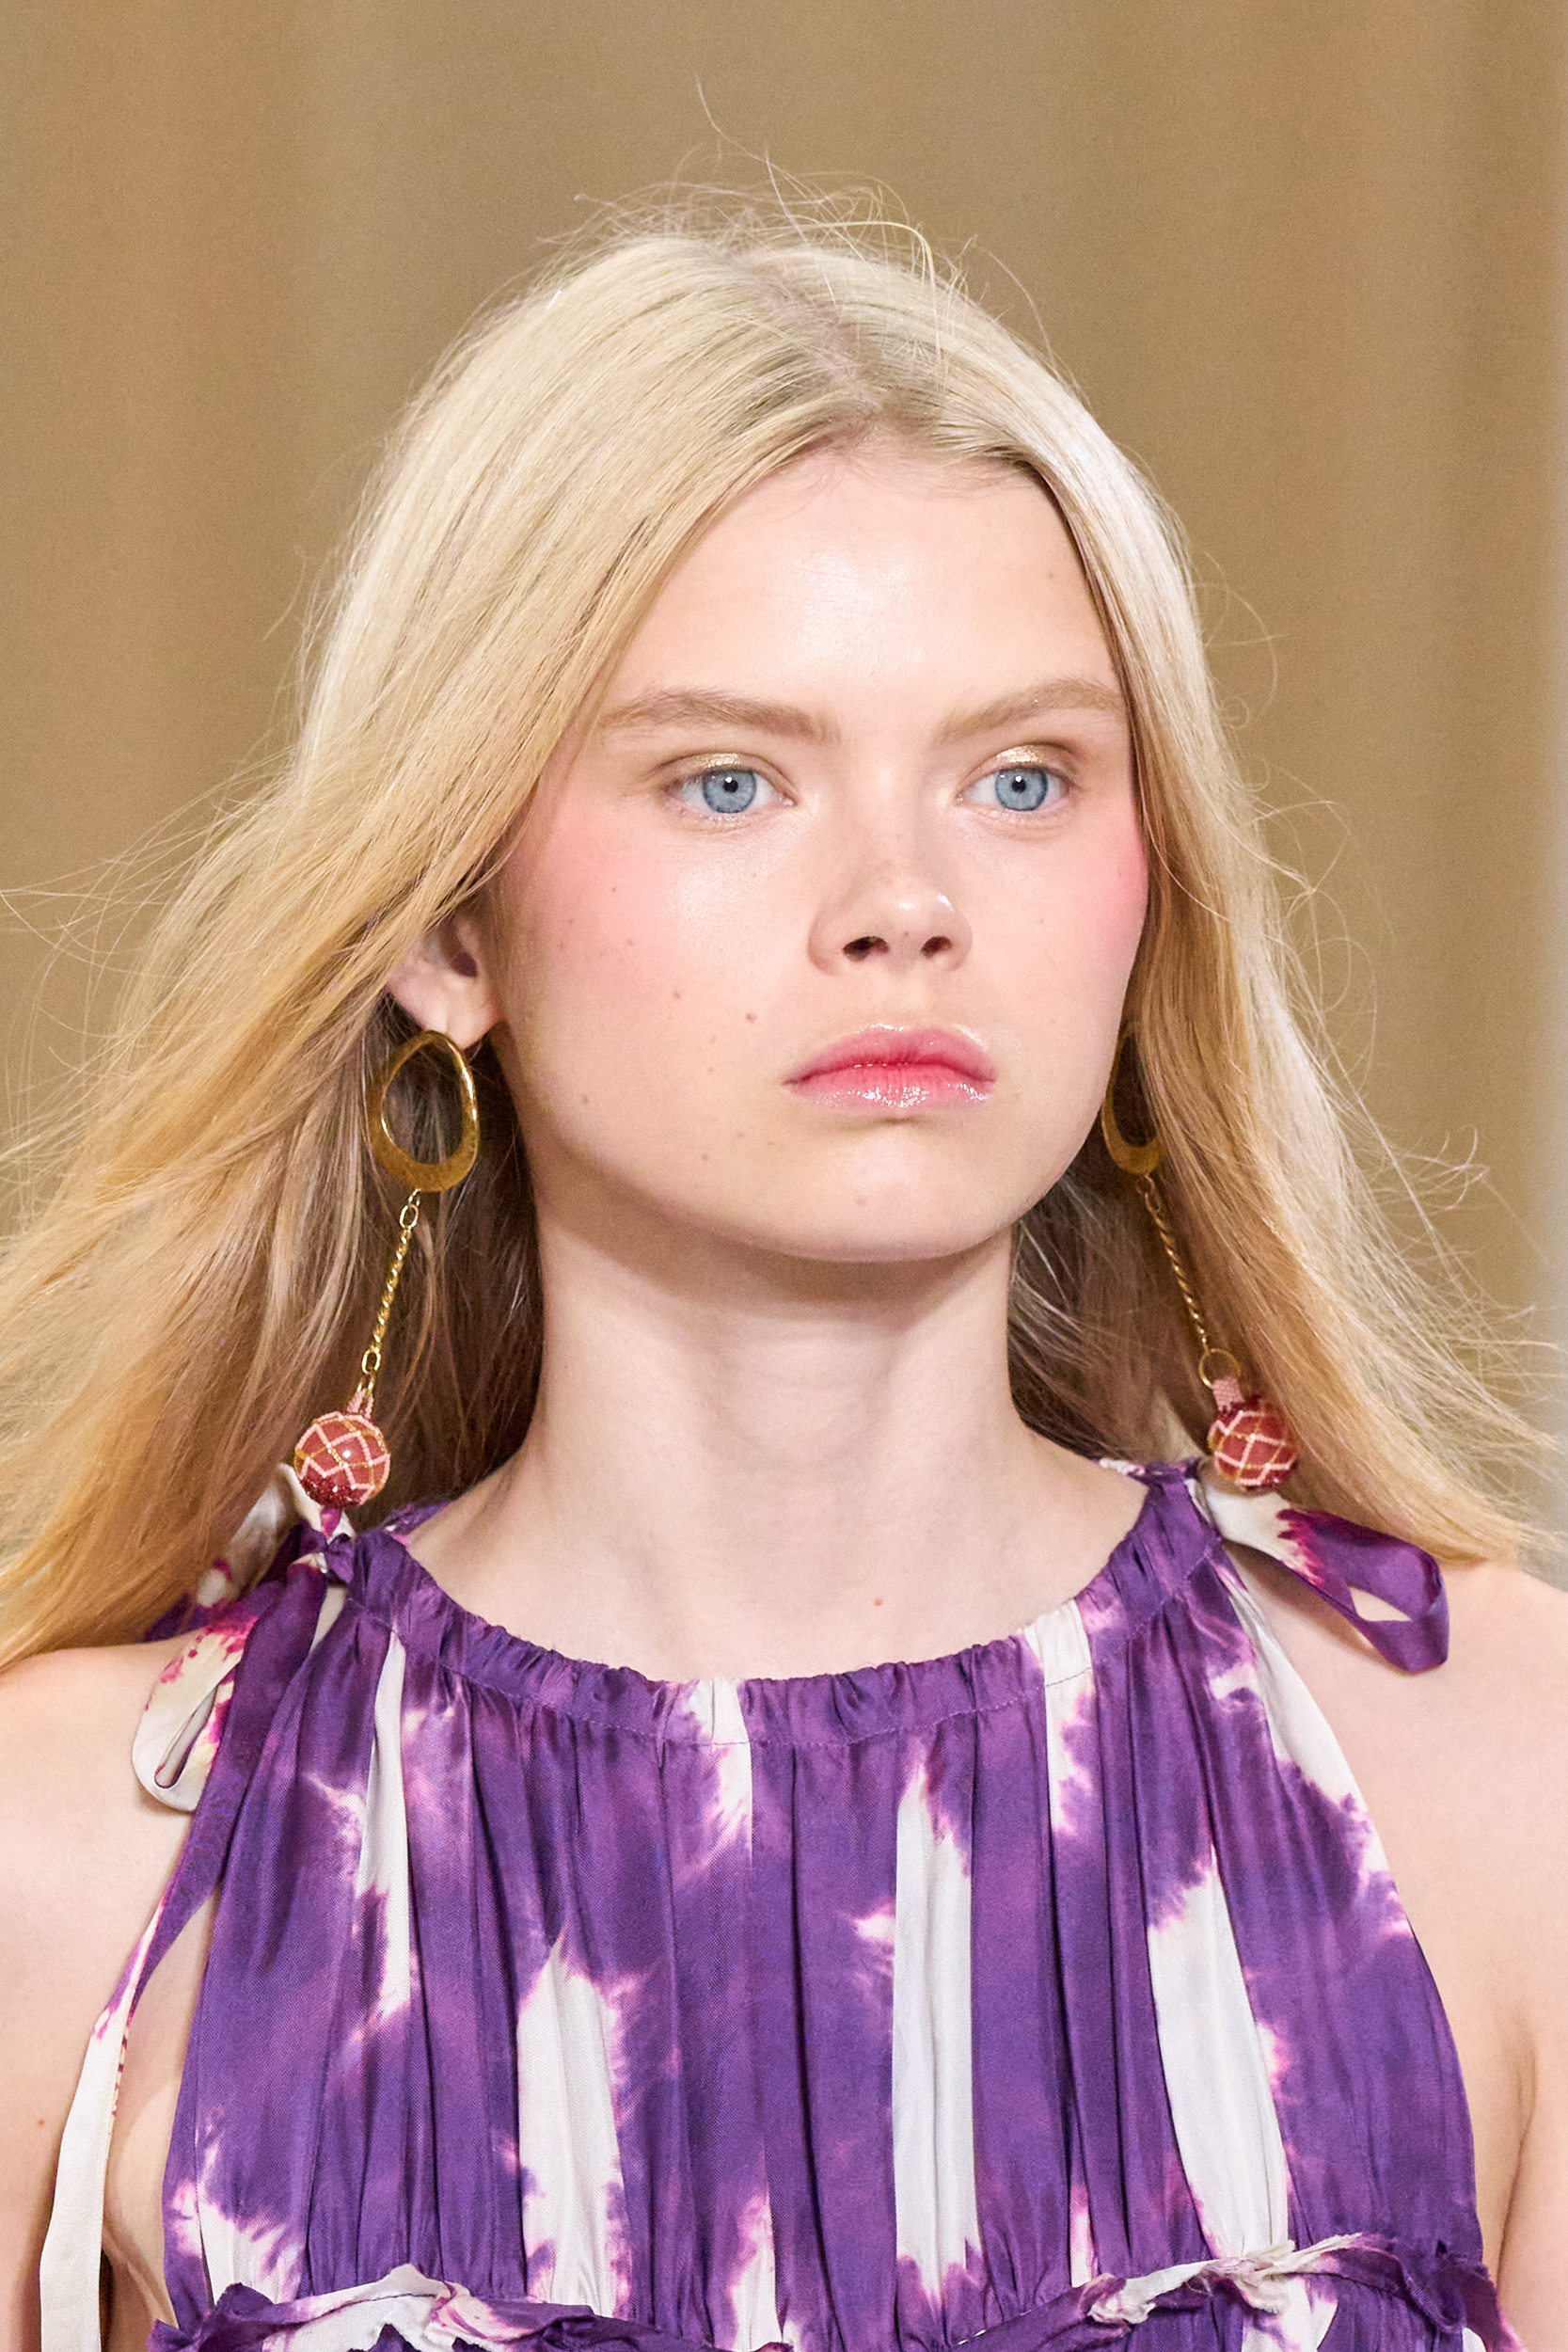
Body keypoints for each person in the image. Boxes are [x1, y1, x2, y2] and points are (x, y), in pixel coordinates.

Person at [0, 203, 1562, 2352]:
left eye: (1023, 777)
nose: (903, 899)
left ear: (1151, 898)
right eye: (729, 779)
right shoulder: (78, 1855)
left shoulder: (1497, 1771)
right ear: (447, 926)